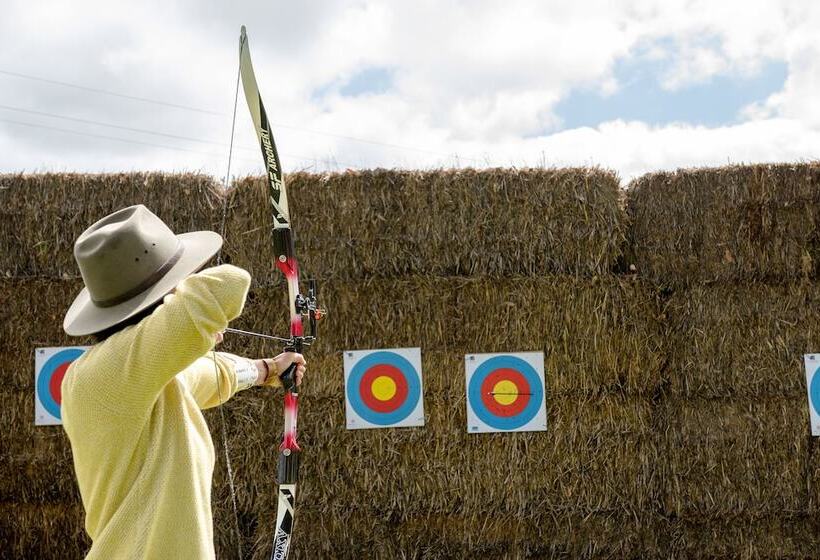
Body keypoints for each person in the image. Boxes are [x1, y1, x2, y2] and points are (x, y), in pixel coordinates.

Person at [60, 204, 306, 559]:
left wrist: (267, 368)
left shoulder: (145, 378)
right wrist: (178, 301)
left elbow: (210, 375)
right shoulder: (103, 374)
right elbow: (229, 284)